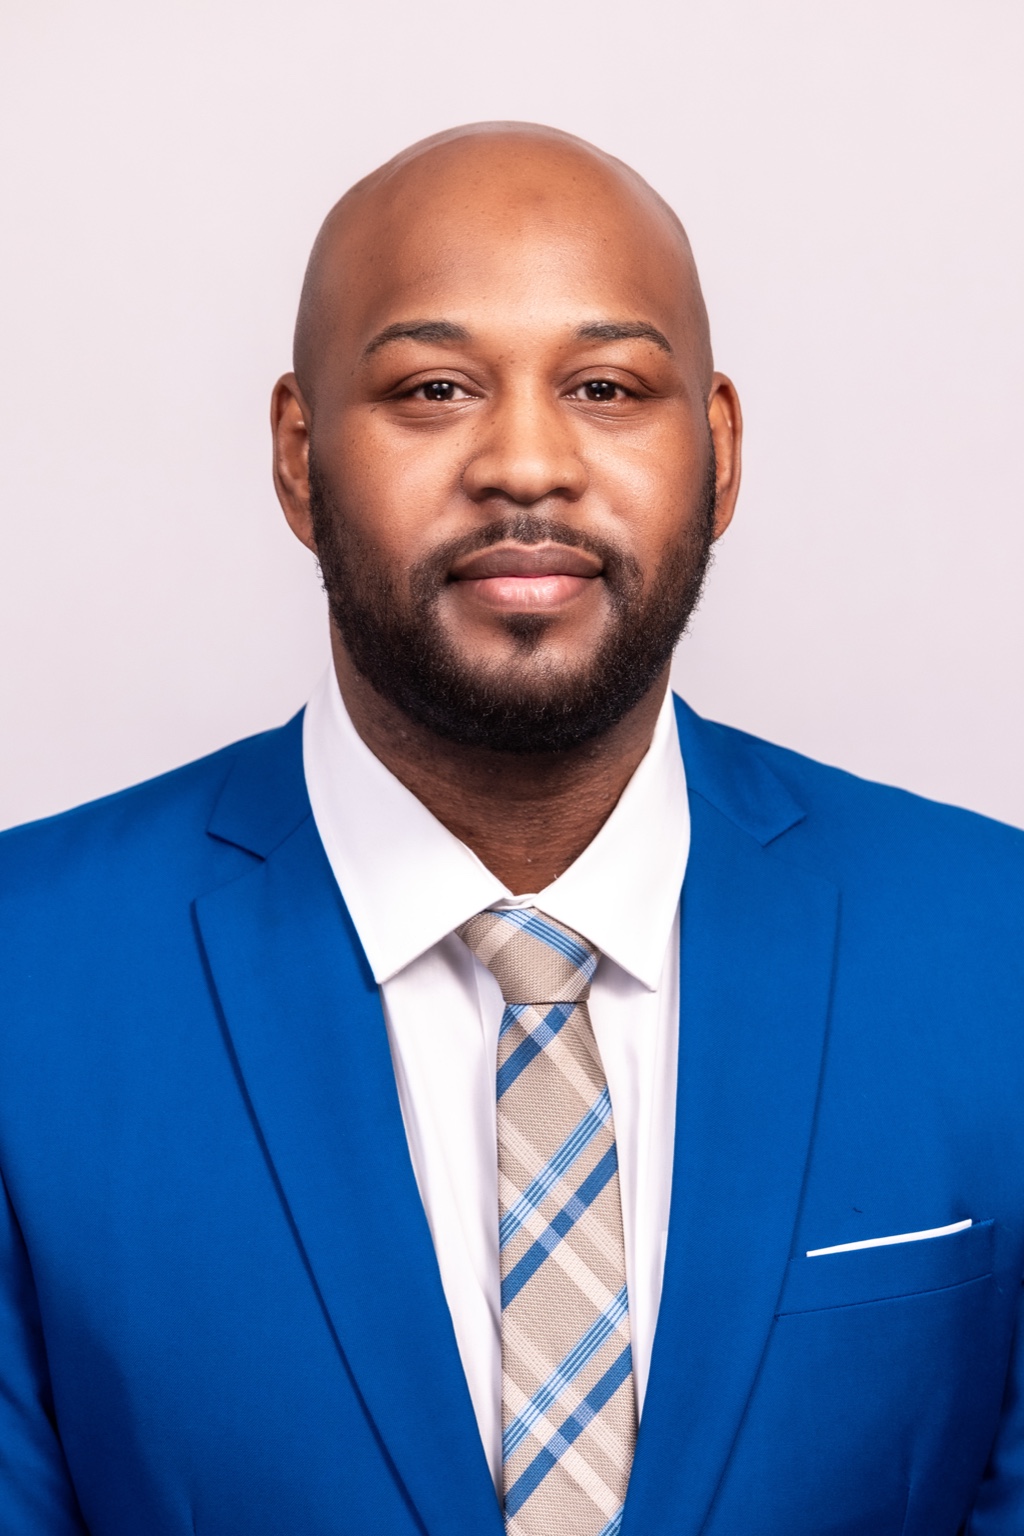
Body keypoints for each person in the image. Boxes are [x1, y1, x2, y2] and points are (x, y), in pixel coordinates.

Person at [0, 121, 1022, 1536]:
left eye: (606, 386)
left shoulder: (993, 948)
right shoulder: (26, 978)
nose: (527, 464)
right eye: (433, 388)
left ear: (716, 451)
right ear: (300, 456)